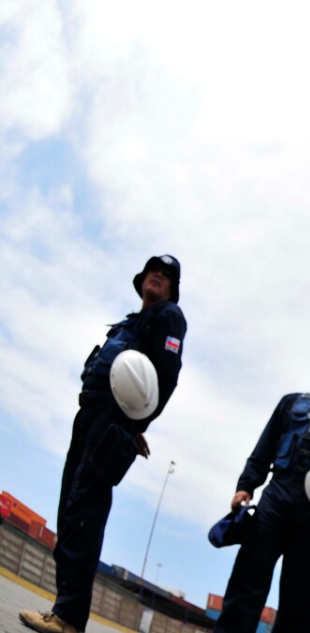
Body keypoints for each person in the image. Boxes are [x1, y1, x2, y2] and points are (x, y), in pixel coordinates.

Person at [19, 255, 187, 633]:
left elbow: (166, 378)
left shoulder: (169, 318)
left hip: (110, 424)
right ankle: (64, 611)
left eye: (167, 275)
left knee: (84, 512)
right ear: (141, 279)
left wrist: (133, 423)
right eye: (152, 270)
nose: (158, 275)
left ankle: (68, 618)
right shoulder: (130, 324)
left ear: (173, 289)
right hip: (91, 418)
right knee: (69, 511)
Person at [213, 356, 310, 633]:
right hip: (276, 501)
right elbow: (264, 448)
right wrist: (245, 486)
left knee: (302, 603)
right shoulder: (292, 404)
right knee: (246, 585)